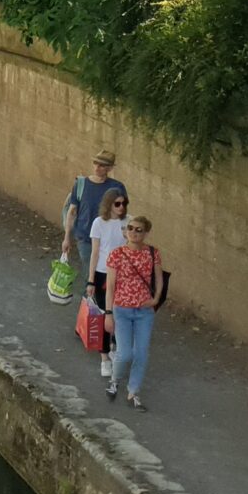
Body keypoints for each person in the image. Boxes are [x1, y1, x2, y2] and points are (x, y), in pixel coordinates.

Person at [103, 214, 171, 409]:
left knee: (141, 353)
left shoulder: (152, 253)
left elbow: (159, 278)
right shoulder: (116, 254)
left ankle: (133, 391)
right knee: (125, 354)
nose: (132, 232)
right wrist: (108, 313)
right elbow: (111, 285)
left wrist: (156, 299)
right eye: (130, 228)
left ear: (146, 233)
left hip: (144, 310)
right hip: (122, 309)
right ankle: (115, 380)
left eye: (138, 230)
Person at [56, 151, 126, 293]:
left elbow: (121, 213)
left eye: (102, 165)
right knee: (91, 275)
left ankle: (105, 308)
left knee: (109, 275)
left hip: (109, 239)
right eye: (95, 163)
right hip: (85, 238)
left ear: (110, 168)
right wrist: (67, 238)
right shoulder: (81, 184)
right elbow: (72, 211)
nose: (97, 167)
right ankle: (89, 307)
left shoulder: (117, 187)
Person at [85, 189, 131, 380]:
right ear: (109, 204)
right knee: (106, 315)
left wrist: (127, 234)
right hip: (103, 273)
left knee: (120, 314)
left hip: (123, 274)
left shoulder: (129, 222)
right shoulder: (99, 223)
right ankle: (104, 358)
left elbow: (134, 246)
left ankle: (113, 346)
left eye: (123, 203)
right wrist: (91, 279)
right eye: (117, 204)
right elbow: (95, 252)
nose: (121, 208)